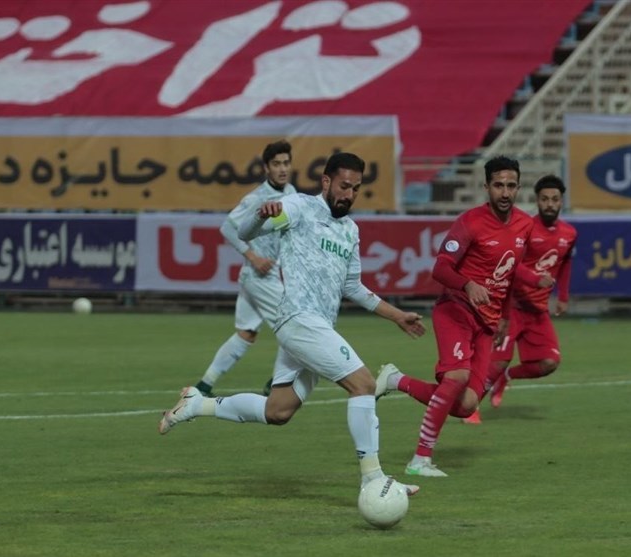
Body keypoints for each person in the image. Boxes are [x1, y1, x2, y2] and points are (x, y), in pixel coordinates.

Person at [159, 152, 426, 495]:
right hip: (299, 320)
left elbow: (353, 287)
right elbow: (245, 231)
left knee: (278, 411)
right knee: (363, 385)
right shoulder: (299, 207)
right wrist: (260, 216)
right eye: (344, 186)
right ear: (326, 182)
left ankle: (197, 404)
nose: (349, 194)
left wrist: (397, 316)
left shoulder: (350, 230)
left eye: (356, 188)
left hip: (316, 329)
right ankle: (373, 479)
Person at [374, 156, 550, 477]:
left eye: (511, 186)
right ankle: (420, 460)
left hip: (487, 323)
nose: (505, 192)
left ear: (518, 188)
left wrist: (505, 316)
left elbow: (509, 274)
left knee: (467, 404)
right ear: (486, 187)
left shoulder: (525, 225)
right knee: (455, 377)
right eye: (498, 185)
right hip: (455, 310)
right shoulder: (470, 222)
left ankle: (397, 380)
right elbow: (440, 268)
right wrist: (468, 284)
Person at [193, 140, 295, 397]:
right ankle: (276, 385)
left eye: (286, 163)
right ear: (266, 168)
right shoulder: (256, 198)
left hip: (261, 276)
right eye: (276, 164)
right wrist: (253, 256)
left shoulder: (291, 192)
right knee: (293, 327)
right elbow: (228, 227)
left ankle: (204, 385)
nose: (282, 169)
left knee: (246, 334)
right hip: (261, 276)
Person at [485, 174, 577, 407]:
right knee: (497, 362)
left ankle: (507, 377)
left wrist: (563, 296)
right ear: (537, 200)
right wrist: (535, 279)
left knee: (549, 363)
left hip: (537, 311)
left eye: (554, 199)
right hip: (512, 307)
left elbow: (565, 262)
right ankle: (470, 407)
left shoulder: (569, 234)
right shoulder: (525, 228)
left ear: (561, 201)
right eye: (544, 199)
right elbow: (512, 264)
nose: (549, 204)